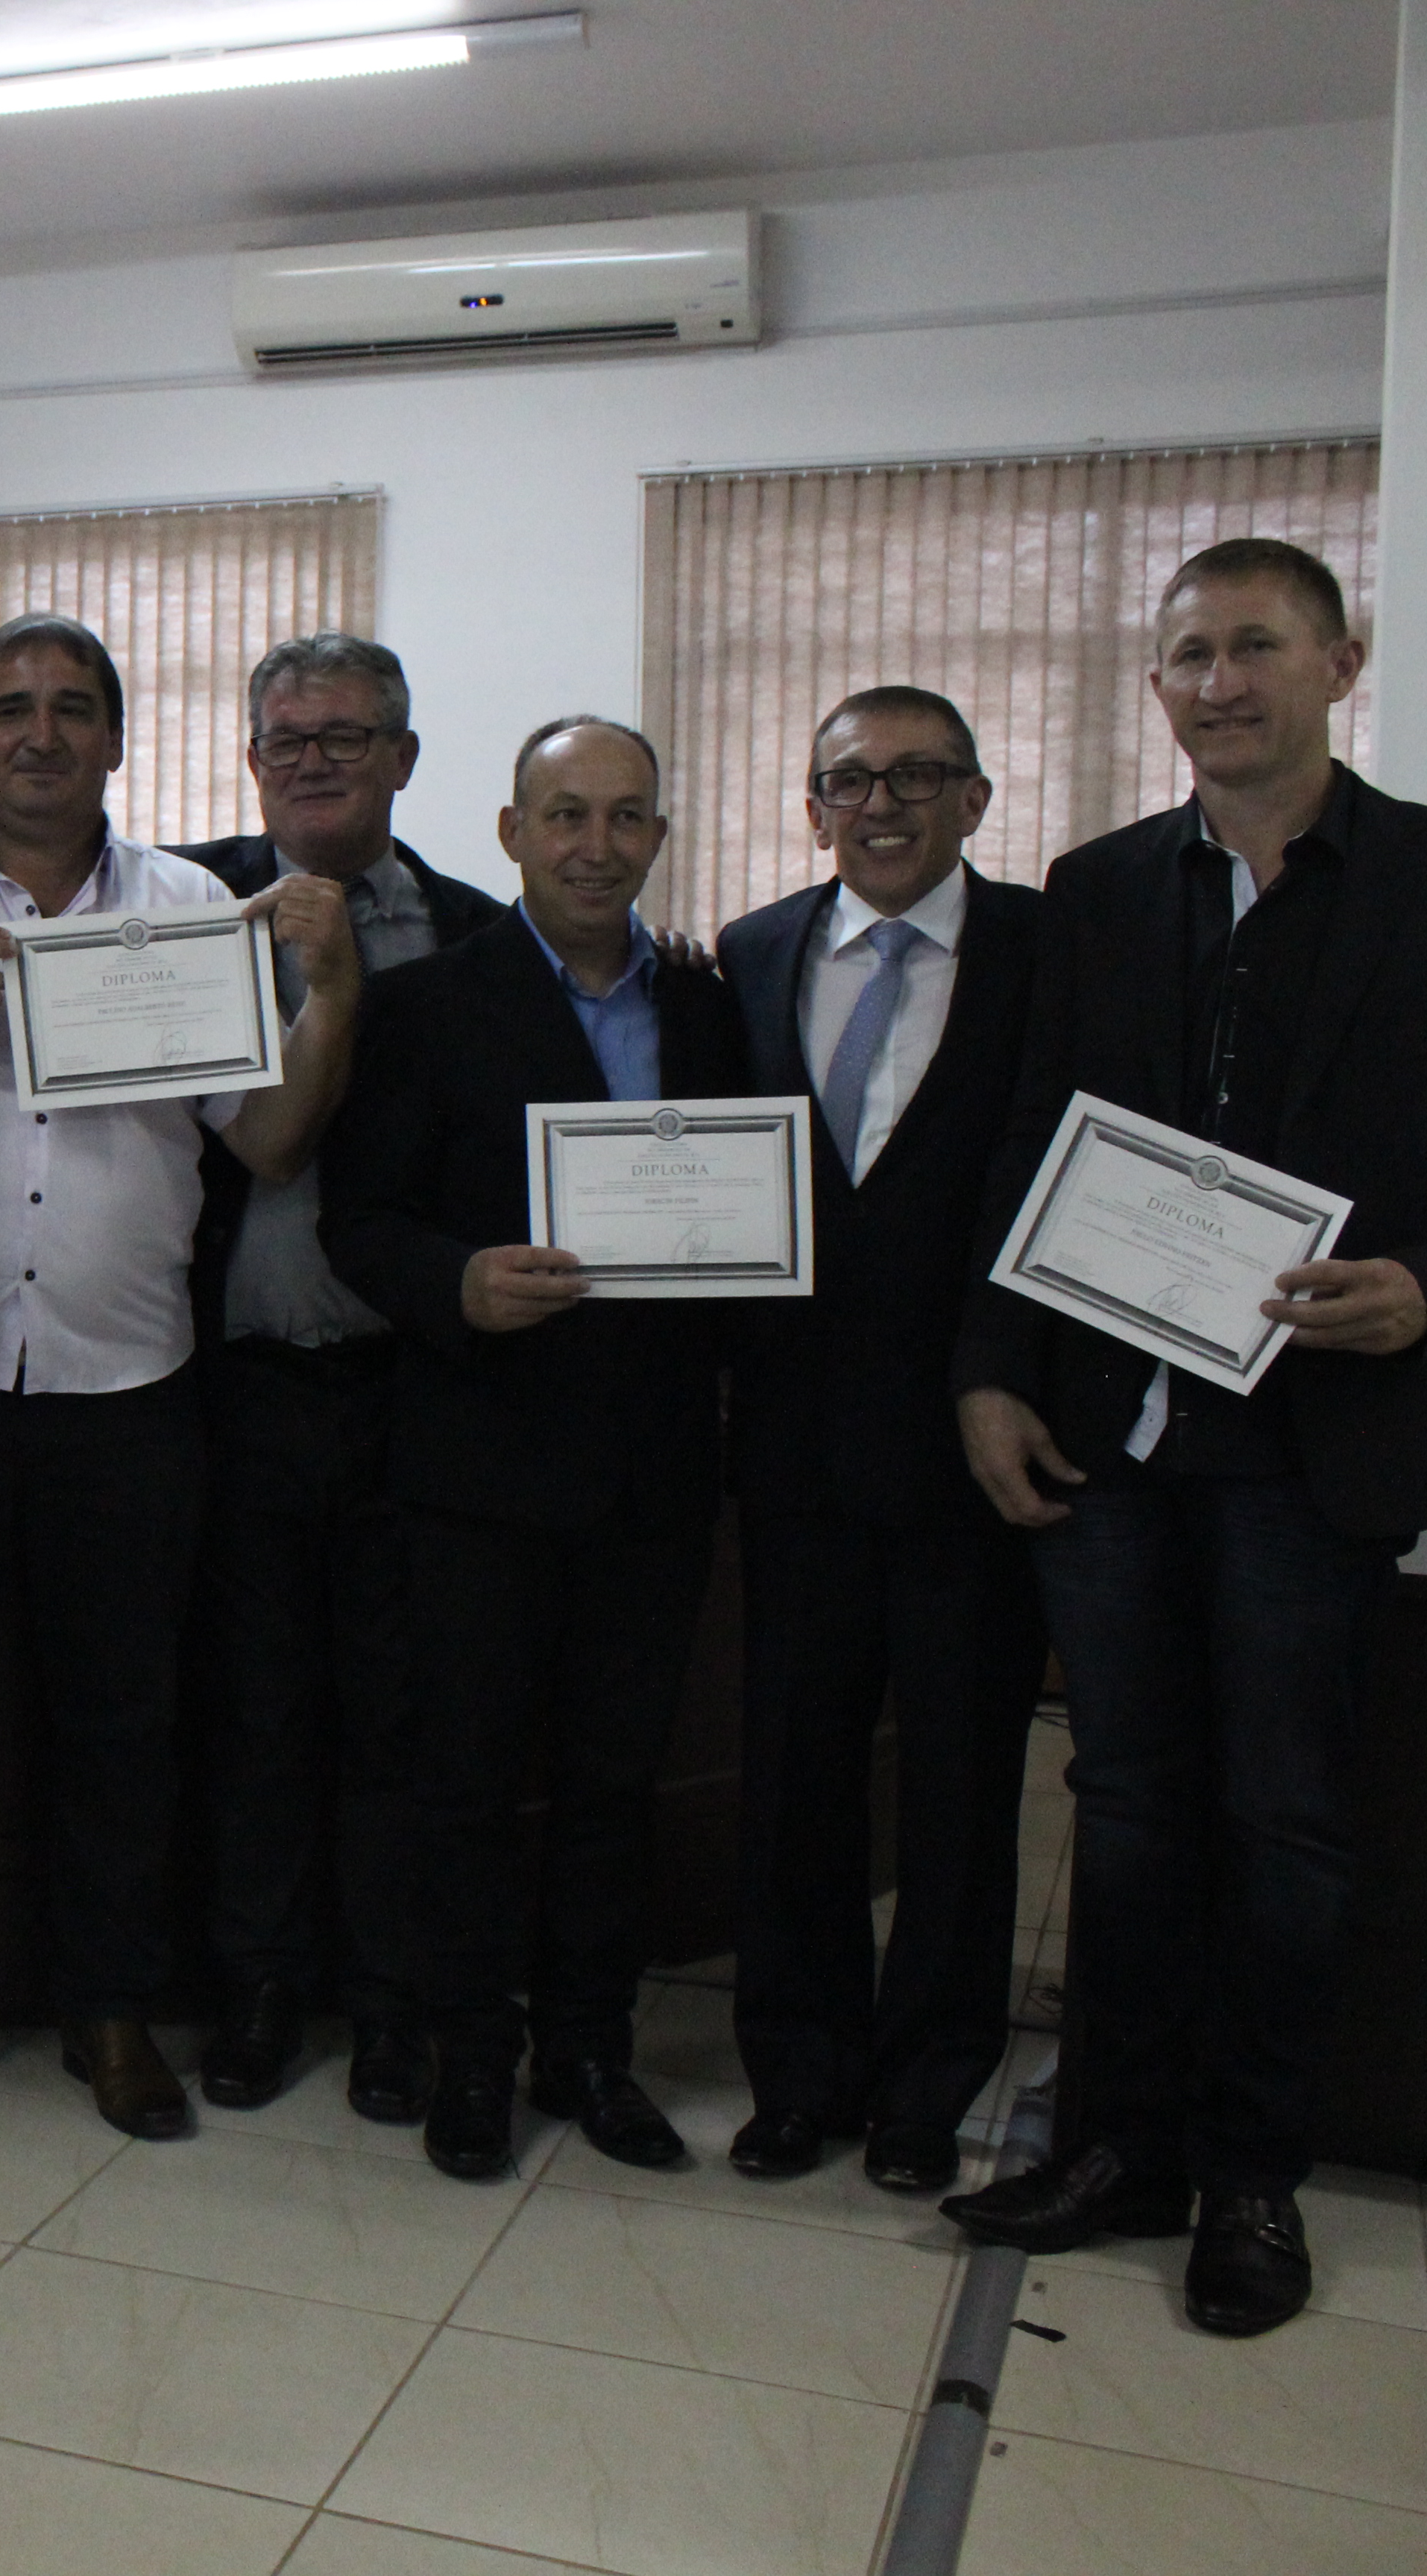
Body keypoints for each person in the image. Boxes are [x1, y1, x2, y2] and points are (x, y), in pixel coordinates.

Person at [943, 538, 1427, 2337]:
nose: (1216, 681)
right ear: (1152, 688)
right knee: (1124, 1809)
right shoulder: (1093, 888)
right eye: (1185, 655)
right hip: (1113, 1436)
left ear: (1335, 659)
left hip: (1316, 1448)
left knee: (1283, 1824)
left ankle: (1250, 2173)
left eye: (1251, 646)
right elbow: (1025, 1146)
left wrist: (1422, 1289)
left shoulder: (1421, 878)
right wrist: (985, 1369)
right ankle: (1112, 2140)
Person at [0, 616, 362, 2142]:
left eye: (75, 711)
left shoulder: (190, 905)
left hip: (130, 1388)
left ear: (120, 743)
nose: (43, 735)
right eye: (12, 708)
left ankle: (112, 2009)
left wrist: (329, 998)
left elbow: (265, 1139)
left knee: (122, 1722)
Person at [318, 716, 750, 2185]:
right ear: (510, 834)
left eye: (627, 818)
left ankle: (590, 2053)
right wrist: (456, 1285)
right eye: (565, 815)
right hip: (478, 1470)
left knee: (614, 1787)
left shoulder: (708, 1007)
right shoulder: (428, 1007)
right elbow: (358, 1224)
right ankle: (472, 2058)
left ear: (657, 839)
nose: (595, 845)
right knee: (468, 1787)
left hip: (652, 1473)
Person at [164, 634, 503, 2127]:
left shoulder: (483, 941)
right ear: (251, 760)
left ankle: (388, 2010)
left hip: (415, 1396)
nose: (312, 759)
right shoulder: (182, 913)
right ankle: (255, 1989)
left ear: (405, 761)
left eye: (347, 738)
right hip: (236, 1388)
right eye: (286, 738)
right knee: (254, 1713)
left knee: (398, 1723)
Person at [716, 686, 1043, 2195]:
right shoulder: (752, 954)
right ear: (812, 804)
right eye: (852, 779)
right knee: (791, 1775)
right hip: (790, 1456)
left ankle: (925, 2086)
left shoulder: (1053, 955)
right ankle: (798, 2071)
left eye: (922, 777)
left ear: (976, 800)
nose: (886, 803)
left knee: (965, 1785)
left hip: (976, 1452)